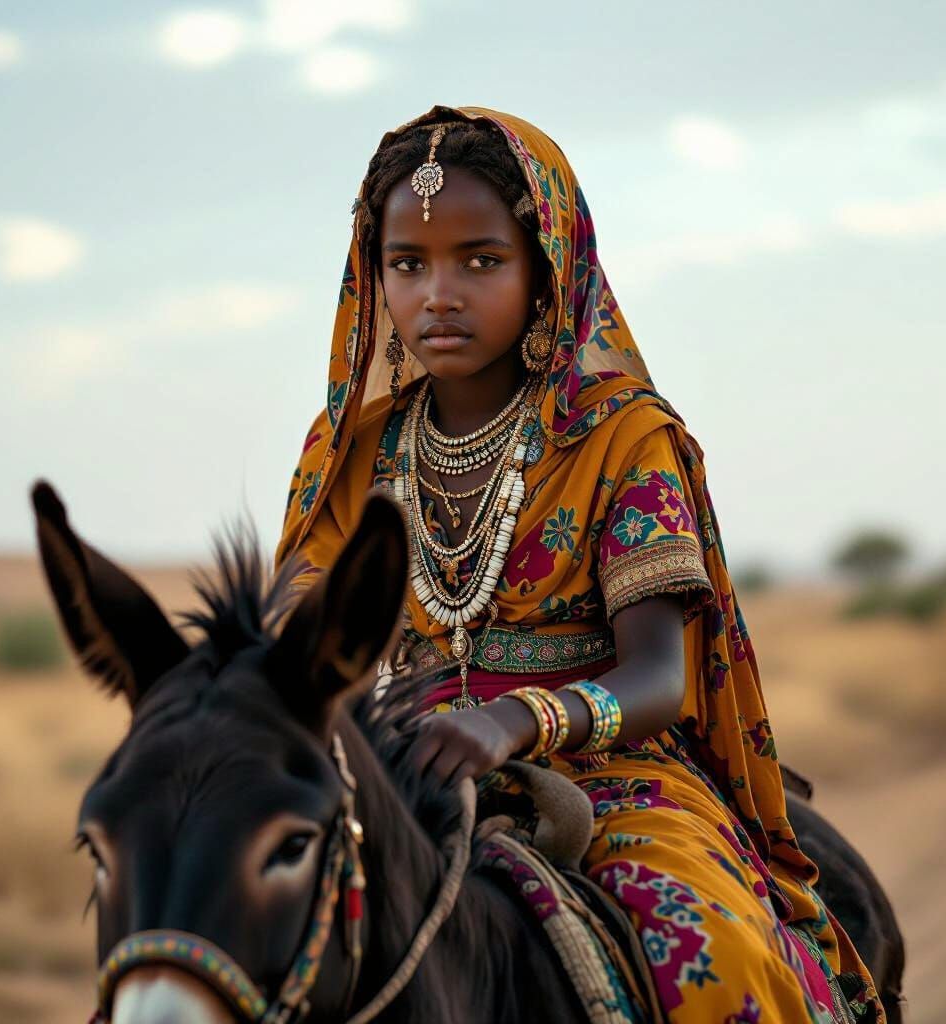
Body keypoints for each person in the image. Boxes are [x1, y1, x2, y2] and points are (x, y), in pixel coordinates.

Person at [275, 105, 882, 1023]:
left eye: (481, 260)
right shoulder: (350, 450)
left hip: (612, 768)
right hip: (402, 768)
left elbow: (658, 678)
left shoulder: (620, 434)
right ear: (375, 277)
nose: (439, 292)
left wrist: (511, 723)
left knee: (707, 955)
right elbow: (296, 642)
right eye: (408, 264)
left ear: (547, 268)